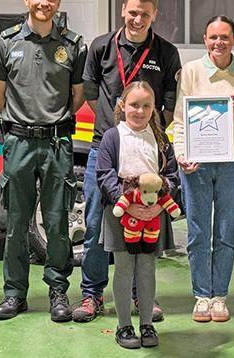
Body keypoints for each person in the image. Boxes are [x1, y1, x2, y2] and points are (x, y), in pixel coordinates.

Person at [73, 0, 181, 323]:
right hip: (104, 148)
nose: (137, 19)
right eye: (133, 12)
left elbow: (167, 103)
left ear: (154, 16)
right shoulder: (101, 47)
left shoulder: (165, 52)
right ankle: (92, 295)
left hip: (147, 151)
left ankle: (140, 294)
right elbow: (91, 92)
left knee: (145, 219)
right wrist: (116, 128)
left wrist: (145, 134)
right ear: (123, 10)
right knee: (95, 225)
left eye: (145, 14)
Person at [0, 0, 86, 322]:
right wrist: (21, 120)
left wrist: (51, 119)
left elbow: (76, 97)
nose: (44, 3)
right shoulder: (6, 42)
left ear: (58, 2)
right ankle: (15, 294)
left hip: (57, 143)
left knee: (57, 222)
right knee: (16, 222)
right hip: (19, 143)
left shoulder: (73, 46)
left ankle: (58, 291)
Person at [172, 15, 234, 322]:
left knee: (225, 232)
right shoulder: (191, 71)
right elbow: (180, 120)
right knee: (198, 232)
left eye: (225, 37)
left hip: (233, 164)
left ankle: (220, 296)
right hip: (196, 163)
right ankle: (201, 296)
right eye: (213, 37)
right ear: (205, 40)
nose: (218, 43)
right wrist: (181, 154)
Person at [96, 81, 179, 349]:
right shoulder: (112, 137)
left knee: (146, 269)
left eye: (146, 106)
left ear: (154, 108)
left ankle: (146, 323)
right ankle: (124, 326)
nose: (140, 111)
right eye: (134, 105)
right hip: (121, 212)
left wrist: (158, 206)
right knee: (123, 269)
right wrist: (127, 203)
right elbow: (104, 174)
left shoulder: (161, 138)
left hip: (154, 214)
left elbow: (172, 176)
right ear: (122, 106)